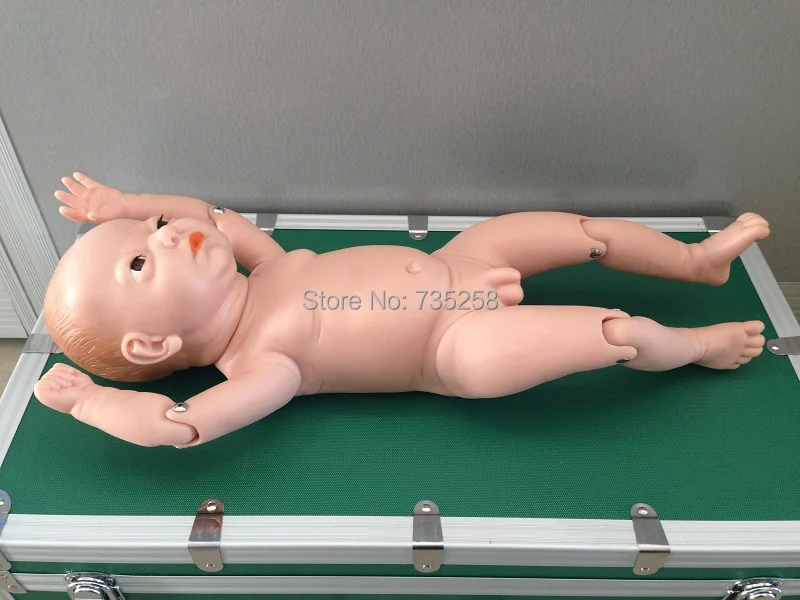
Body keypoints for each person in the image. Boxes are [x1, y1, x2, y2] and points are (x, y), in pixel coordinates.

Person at [34, 173, 768, 448]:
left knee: (581, 232)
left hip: (463, 259)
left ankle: (695, 262)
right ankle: (697, 346)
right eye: (140, 262)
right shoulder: (264, 365)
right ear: (151, 344)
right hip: (456, 346)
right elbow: (178, 426)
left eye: (154, 229)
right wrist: (89, 402)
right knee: (616, 331)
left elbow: (207, 212)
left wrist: (124, 205)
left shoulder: (267, 263)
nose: (169, 234)